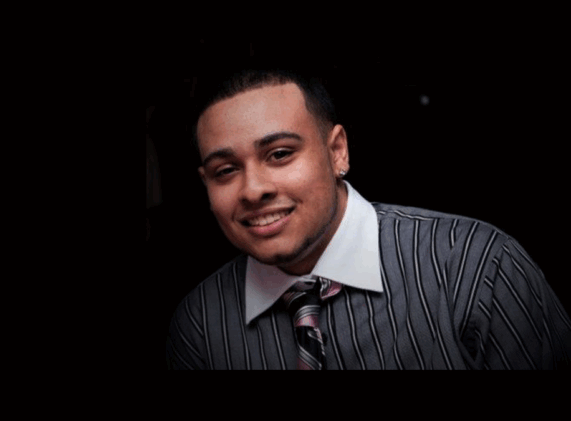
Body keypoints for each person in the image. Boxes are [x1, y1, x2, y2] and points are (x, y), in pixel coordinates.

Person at [165, 67, 571, 370]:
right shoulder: (200, 325)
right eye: (225, 171)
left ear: (337, 151)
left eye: (280, 154)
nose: (253, 190)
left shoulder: (476, 268)